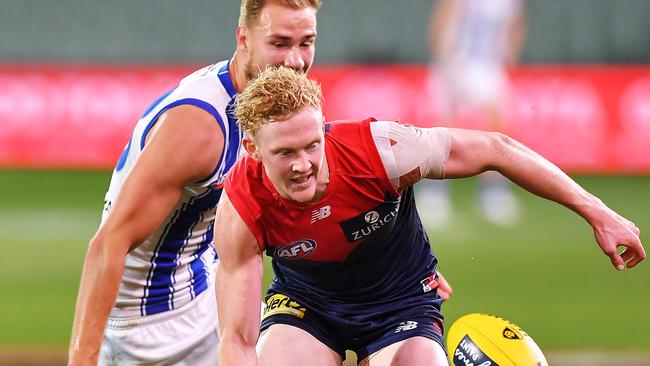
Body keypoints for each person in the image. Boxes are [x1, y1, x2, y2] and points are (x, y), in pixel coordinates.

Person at [214, 66, 645, 365]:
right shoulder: (240, 204)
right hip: (309, 306)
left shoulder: (381, 151)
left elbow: (497, 149)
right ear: (253, 150)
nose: (304, 164)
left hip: (401, 301)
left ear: (323, 126)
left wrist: (597, 211)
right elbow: (236, 340)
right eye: (285, 153)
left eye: (312, 145)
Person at [67, 1, 321, 365]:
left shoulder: (263, 106)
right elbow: (109, 243)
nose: (296, 61)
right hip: (152, 324)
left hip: (203, 285)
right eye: (280, 43)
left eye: (306, 42)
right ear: (244, 39)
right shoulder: (202, 126)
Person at [417, 0, 527, 227]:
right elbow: (442, 18)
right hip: (455, 60)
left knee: (497, 128)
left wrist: (510, 52)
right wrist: (445, 59)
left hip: (487, 65)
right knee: (443, 129)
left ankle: (493, 194)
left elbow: (516, 22)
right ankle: (433, 194)